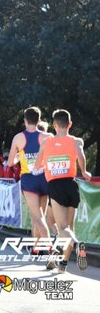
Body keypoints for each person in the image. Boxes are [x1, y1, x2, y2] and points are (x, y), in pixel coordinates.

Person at [34, 109, 92, 273]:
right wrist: (85, 171)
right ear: (70, 124)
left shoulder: (47, 142)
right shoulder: (76, 141)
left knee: (62, 228)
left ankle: (78, 244)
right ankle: (61, 265)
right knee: (65, 226)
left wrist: (41, 165)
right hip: (71, 185)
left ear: (54, 125)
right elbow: (80, 156)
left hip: (55, 186)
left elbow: (37, 164)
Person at [8, 107, 53, 253]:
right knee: (38, 217)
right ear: (39, 120)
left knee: (38, 217)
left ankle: (50, 248)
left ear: (25, 121)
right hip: (45, 178)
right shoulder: (48, 137)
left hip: (29, 180)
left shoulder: (18, 138)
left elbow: (9, 163)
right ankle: (35, 249)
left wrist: (20, 157)